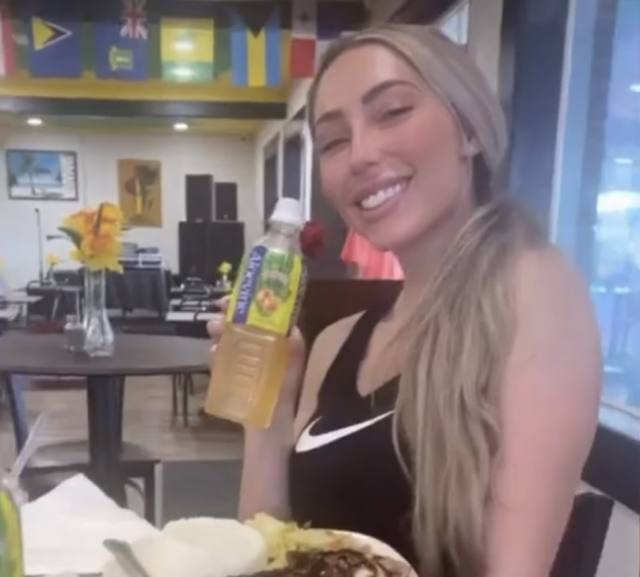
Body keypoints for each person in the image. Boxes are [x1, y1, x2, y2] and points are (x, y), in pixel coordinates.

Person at [209, 24, 601, 577]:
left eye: (392, 112)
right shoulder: (337, 342)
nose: (360, 155)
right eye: (334, 141)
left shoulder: (534, 293)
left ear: (469, 130)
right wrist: (268, 409)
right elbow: (269, 552)